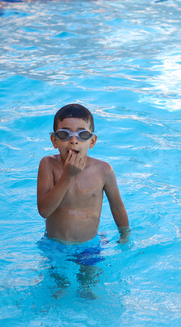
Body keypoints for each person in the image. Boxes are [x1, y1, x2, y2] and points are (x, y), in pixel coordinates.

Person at [37, 103, 129, 245]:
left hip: (89, 245)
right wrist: (67, 176)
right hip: (55, 244)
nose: (73, 141)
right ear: (54, 141)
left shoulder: (103, 170)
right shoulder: (48, 165)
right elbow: (44, 211)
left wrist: (125, 235)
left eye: (82, 134)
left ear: (92, 141)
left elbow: (117, 207)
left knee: (93, 268)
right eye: (64, 134)